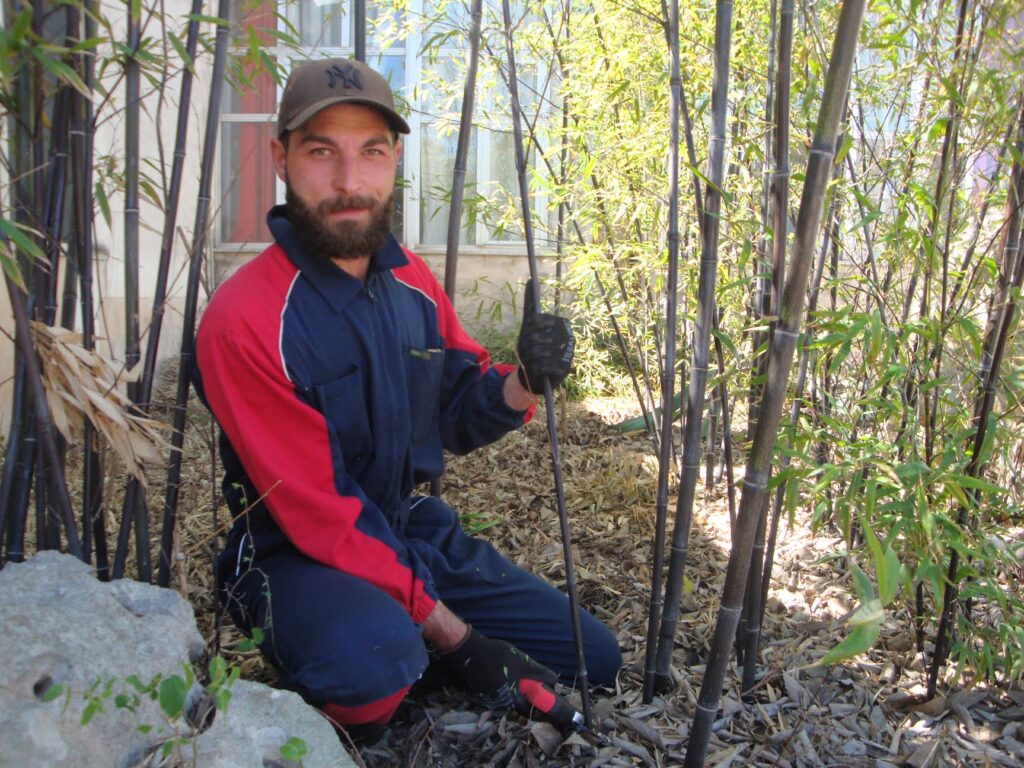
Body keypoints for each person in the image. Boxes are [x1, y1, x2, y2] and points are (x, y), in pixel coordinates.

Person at [194, 57, 621, 736]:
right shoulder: (244, 317)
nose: (348, 181)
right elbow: (322, 515)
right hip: (291, 554)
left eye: (371, 152)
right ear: (280, 158)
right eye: (320, 152)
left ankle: (409, 624)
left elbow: (457, 408)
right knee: (374, 677)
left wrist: (524, 381)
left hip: (404, 530)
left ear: (395, 156)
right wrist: (458, 641)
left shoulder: (410, 279)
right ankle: (391, 640)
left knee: (595, 658)